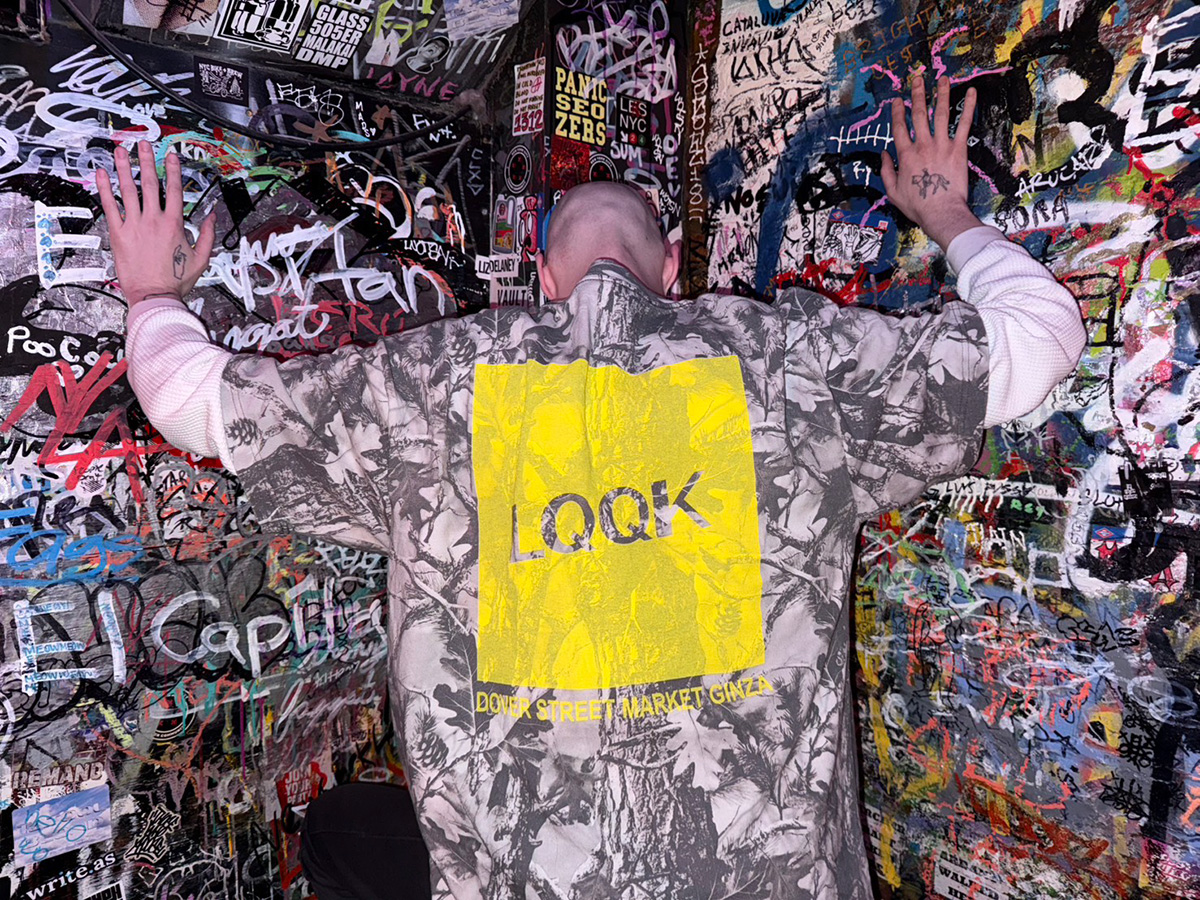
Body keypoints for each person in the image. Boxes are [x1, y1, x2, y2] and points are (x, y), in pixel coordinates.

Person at [101, 77, 1085, 900]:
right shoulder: (788, 365)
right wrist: (947, 214)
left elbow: (194, 404)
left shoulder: (434, 388)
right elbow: (1041, 341)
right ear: (672, 267)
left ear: (542, 272)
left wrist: (150, 294)